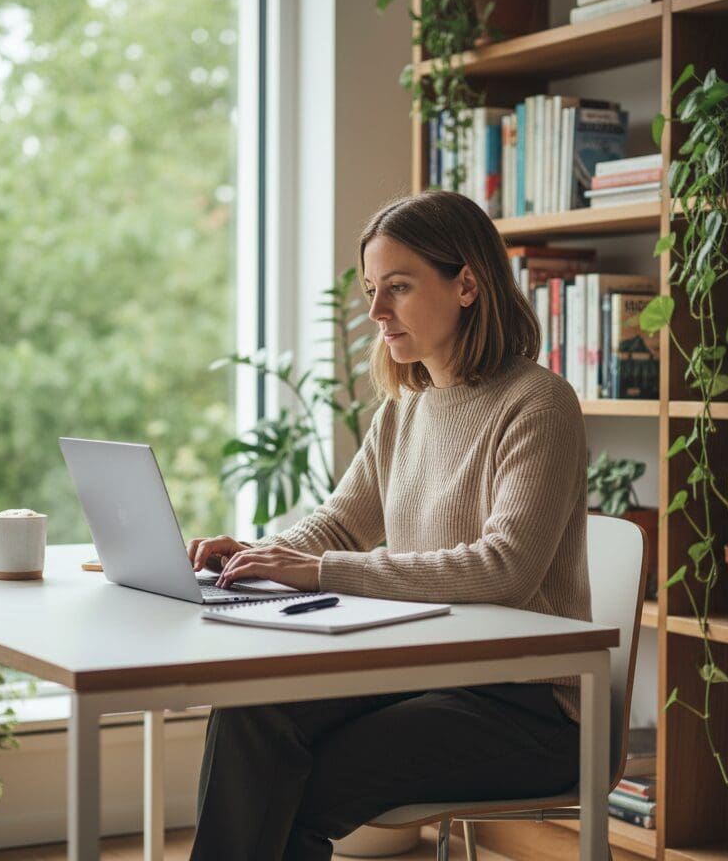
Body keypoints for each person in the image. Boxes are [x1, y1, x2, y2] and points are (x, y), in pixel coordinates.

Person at [185, 190, 590, 861]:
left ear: (467, 285)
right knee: (251, 709)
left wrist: (316, 572)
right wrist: (257, 556)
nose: (375, 312)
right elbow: (340, 524)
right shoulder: (404, 411)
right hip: (429, 670)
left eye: (397, 287)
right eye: (373, 290)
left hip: (527, 705)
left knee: (300, 783)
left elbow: (505, 569)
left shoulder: (539, 405)